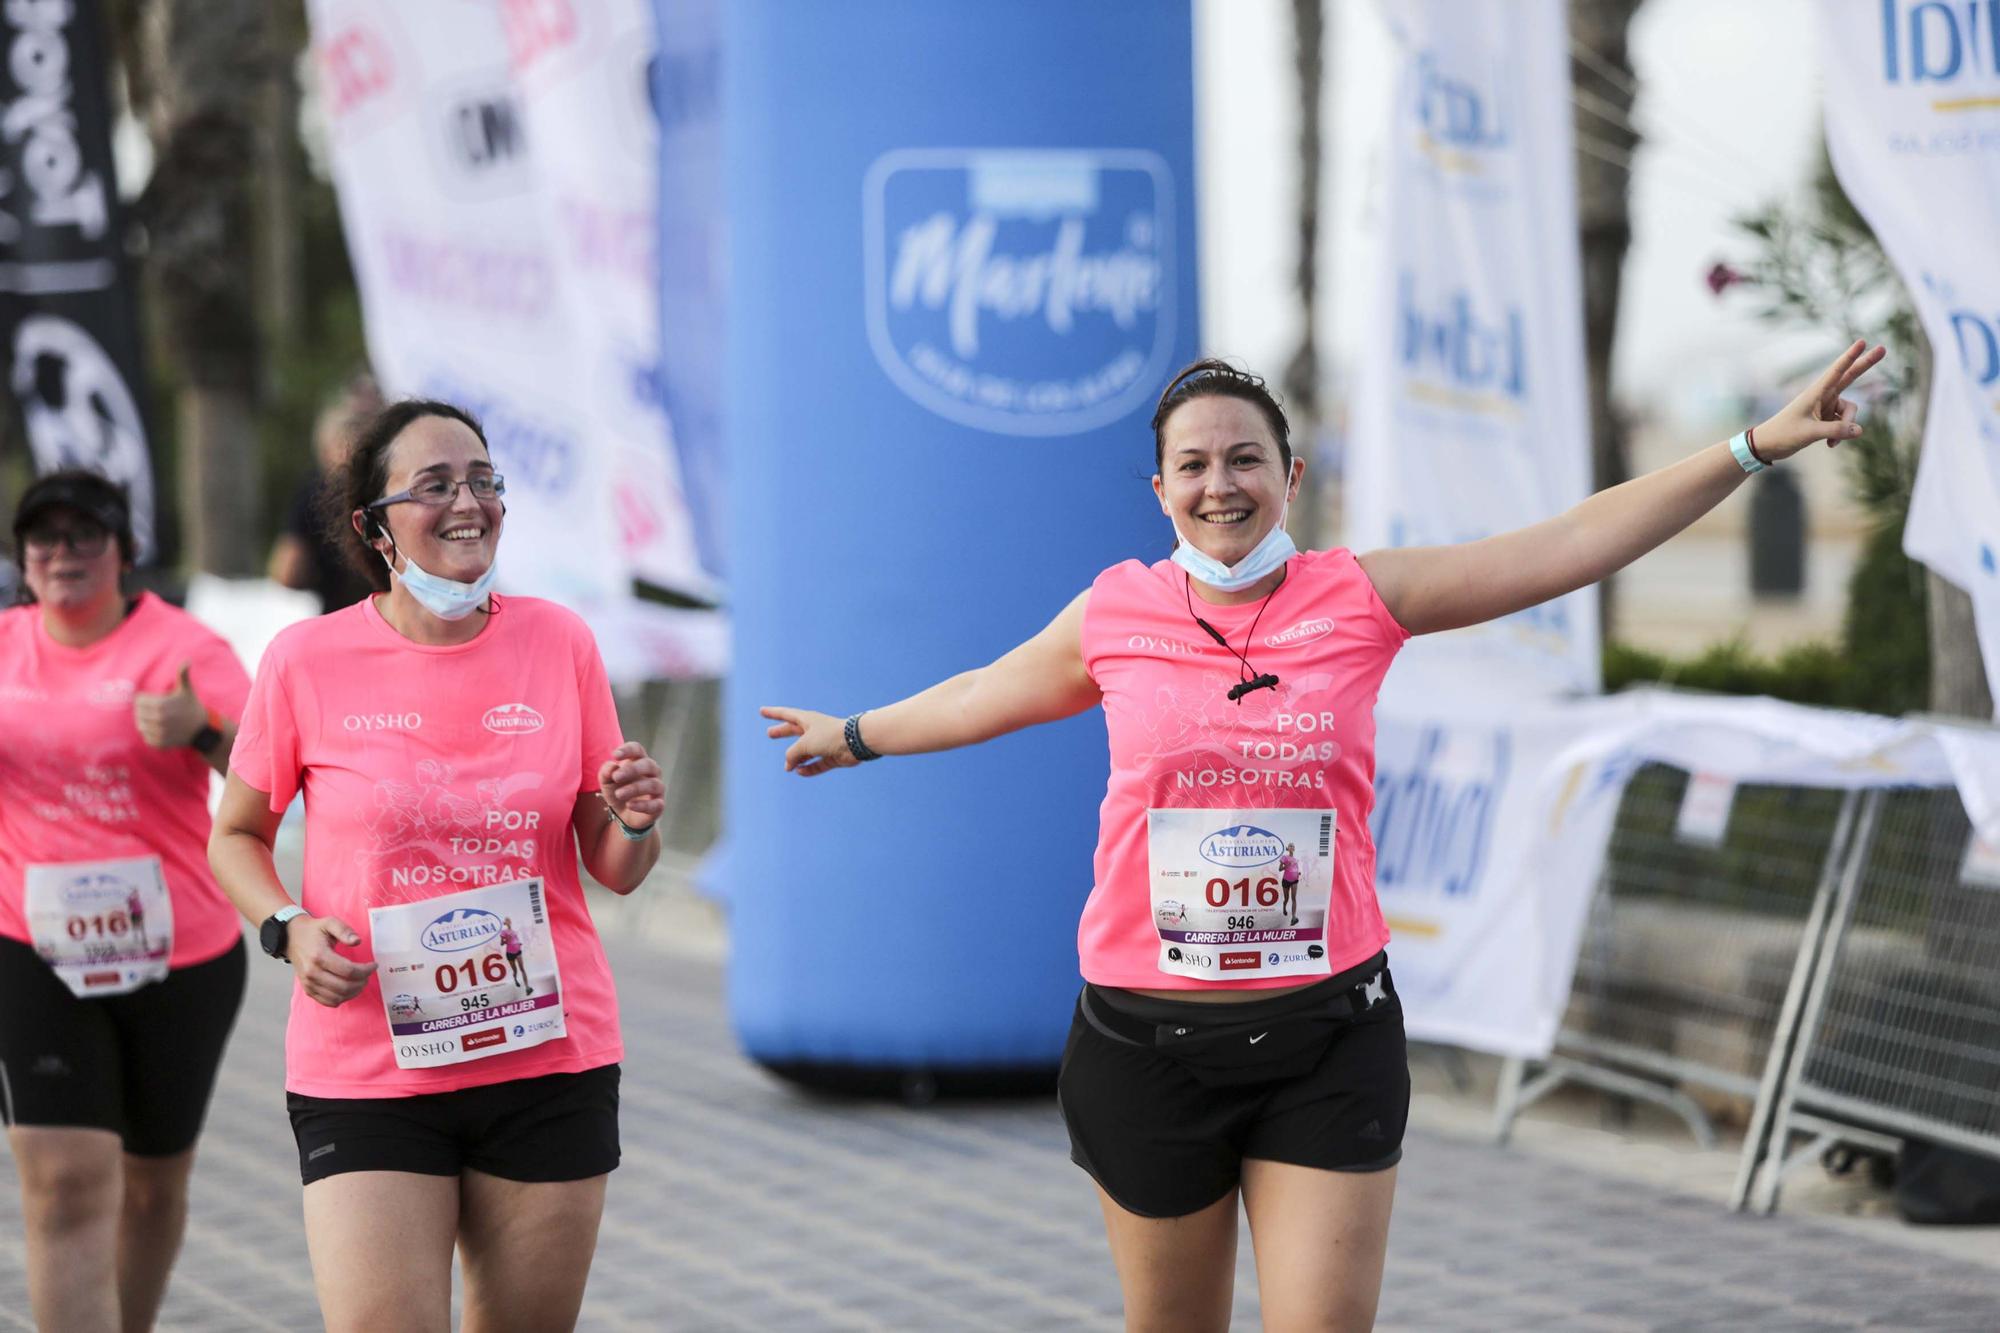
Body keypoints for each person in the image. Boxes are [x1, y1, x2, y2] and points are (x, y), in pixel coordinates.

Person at [762, 343, 1883, 1331]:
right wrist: (854, 734)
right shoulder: (1115, 612)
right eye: (1193, 465)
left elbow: (1571, 541)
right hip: (1144, 1048)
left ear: (1290, 476)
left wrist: (1746, 448)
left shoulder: (1359, 597)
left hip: (1323, 1040)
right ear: (1158, 490)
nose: (1220, 483)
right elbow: (979, 691)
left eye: (1244, 458)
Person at [209, 399, 666, 1333]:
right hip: (369, 1067)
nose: (469, 501)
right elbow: (236, 834)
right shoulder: (305, 659)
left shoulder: (559, 642)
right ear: (372, 527)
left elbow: (614, 865)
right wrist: (286, 926)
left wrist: (635, 817)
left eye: (484, 480)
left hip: (547, 1055)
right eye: (434, 485)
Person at [0, 468, 252, 1332]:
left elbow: (271, 781)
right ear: (22, 558)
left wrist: (203, 731)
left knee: (150, 1188)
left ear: (126, 550)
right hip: (30, 946)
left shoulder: (188, 650)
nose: (62, 552)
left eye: (85, 534)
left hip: (180, 955)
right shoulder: (2, 645)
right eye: (44, 536)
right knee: (64, 1183)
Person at [267, 376, 384, 613]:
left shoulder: (313, 490)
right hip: (395, 618)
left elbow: (286, 570)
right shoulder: (391, 488)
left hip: (337, 617)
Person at [1279, 842, 1301, 926]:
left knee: (1293, 898)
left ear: (1294, 849)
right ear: (1288, 848)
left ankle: (1293, 918)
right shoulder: (1284, 857)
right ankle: (1284, 907)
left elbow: (1295, 869)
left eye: (1293, 846)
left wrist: (1298, 873)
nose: (1292, 847)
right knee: (1286, 899)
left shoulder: (1295, 859)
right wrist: (1286, 866)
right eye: (1290, 845)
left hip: (1295, 880)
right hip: (1286, 880)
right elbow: (1280, 869)